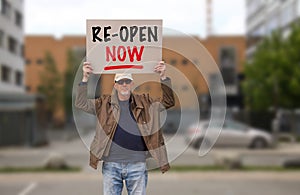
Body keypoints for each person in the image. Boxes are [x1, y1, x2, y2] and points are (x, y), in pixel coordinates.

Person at [75, 61, 175, 195]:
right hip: (111, 165)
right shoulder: (104, 103)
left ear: (132, 84)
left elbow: (168, 102)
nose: (124, 85)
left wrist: (163, 76)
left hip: (137, 164)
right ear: (115, 85)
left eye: (127, 81)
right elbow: (81, 103)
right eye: (120, 82)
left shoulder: (145, 102)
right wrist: (85, 78)